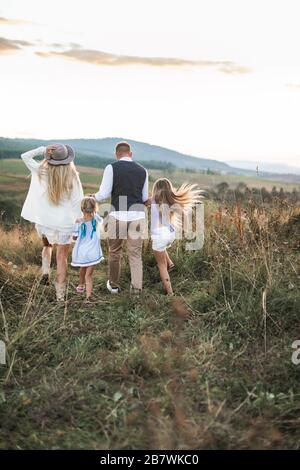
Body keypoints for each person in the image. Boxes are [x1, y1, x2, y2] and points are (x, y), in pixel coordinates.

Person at [20, 144, 83, 301]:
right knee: (62, 257)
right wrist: (78, 225)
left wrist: (42, 149)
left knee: (47, 246)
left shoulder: (42, 171)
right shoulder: (73, 176)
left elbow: (25, 156)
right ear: (68, 160)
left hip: (45, 221)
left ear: (51, 158)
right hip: (66, 224)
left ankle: (46, 272)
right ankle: (60, 296)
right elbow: (78, 203)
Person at [94, 141, 148, 294]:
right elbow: (144, 197)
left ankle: (114, 286)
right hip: (137, 215)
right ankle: (136, 290)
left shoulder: (111, 167)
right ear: (130, 154)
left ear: (117, 154)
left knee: (114, 251)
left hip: (117, 215)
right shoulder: (143, 170)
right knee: (136, 255)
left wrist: (92, 198)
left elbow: (103, 194)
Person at [151, 178, 202, 295]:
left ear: (156, 189)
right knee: (162, 247)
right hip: (170, 233)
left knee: (161, 265)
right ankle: (171, 263)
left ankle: (170, 293)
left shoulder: (153, 199)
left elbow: (144, 201)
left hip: (159, 236)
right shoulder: (171, 200)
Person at [71, 196, 104, 301]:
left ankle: (81, 285)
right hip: (93, 252)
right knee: (89, 275)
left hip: (82, 251)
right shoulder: (97, 219)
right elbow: (101, 220)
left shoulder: (78, 222)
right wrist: (94, 212)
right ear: (94, 209)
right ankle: (88, 297)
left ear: (82, 209)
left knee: (82, 268)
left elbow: (74, 237)